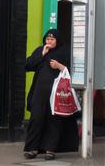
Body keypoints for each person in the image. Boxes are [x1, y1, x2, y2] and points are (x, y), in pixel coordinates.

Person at [24, 29, 79, 161]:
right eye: (47, 39)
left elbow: (74, 71)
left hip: (56, 93)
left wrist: (59, 66)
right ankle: (32, 148)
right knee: (36, 118)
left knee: (53, 120)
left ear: (57, 41)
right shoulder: (40, 50)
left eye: (52, 40)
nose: (49, 42)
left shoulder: (64, 52)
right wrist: (42, 54)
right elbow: (28, 65)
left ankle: (50, 149)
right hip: (39, 92)